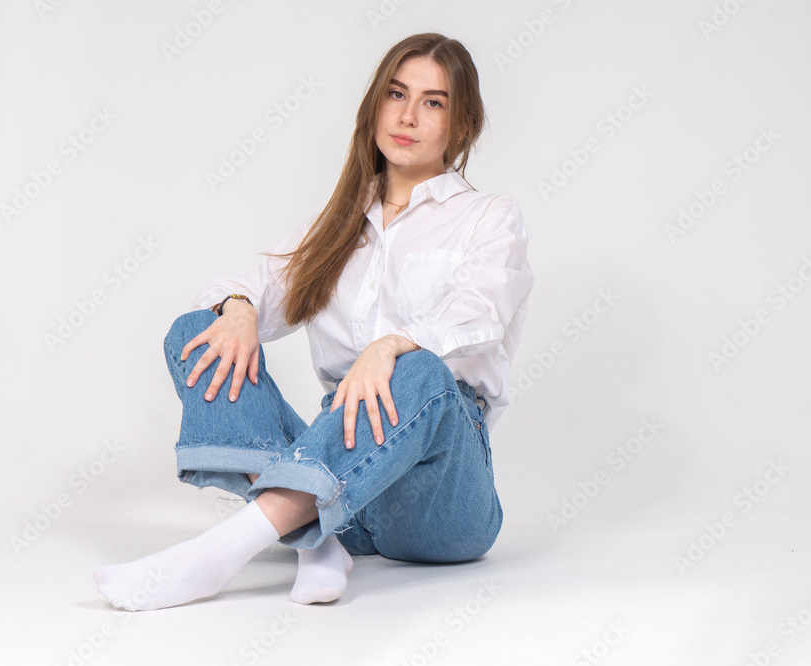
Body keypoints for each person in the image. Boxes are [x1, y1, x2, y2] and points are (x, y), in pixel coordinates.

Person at [93, 32, 533, 611]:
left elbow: (483, 311)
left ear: (463, 123)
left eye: (433, 102)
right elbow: (248, 285)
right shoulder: (336, 227)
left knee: (420, 370)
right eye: (396, 94)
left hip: (438, 498)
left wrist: (392, 345)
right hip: (347, 484)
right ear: (374, 106)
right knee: (197, 329)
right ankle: (317, 540)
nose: (407, 115)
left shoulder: (488, 217)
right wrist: (239, 308)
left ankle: (222, 551)